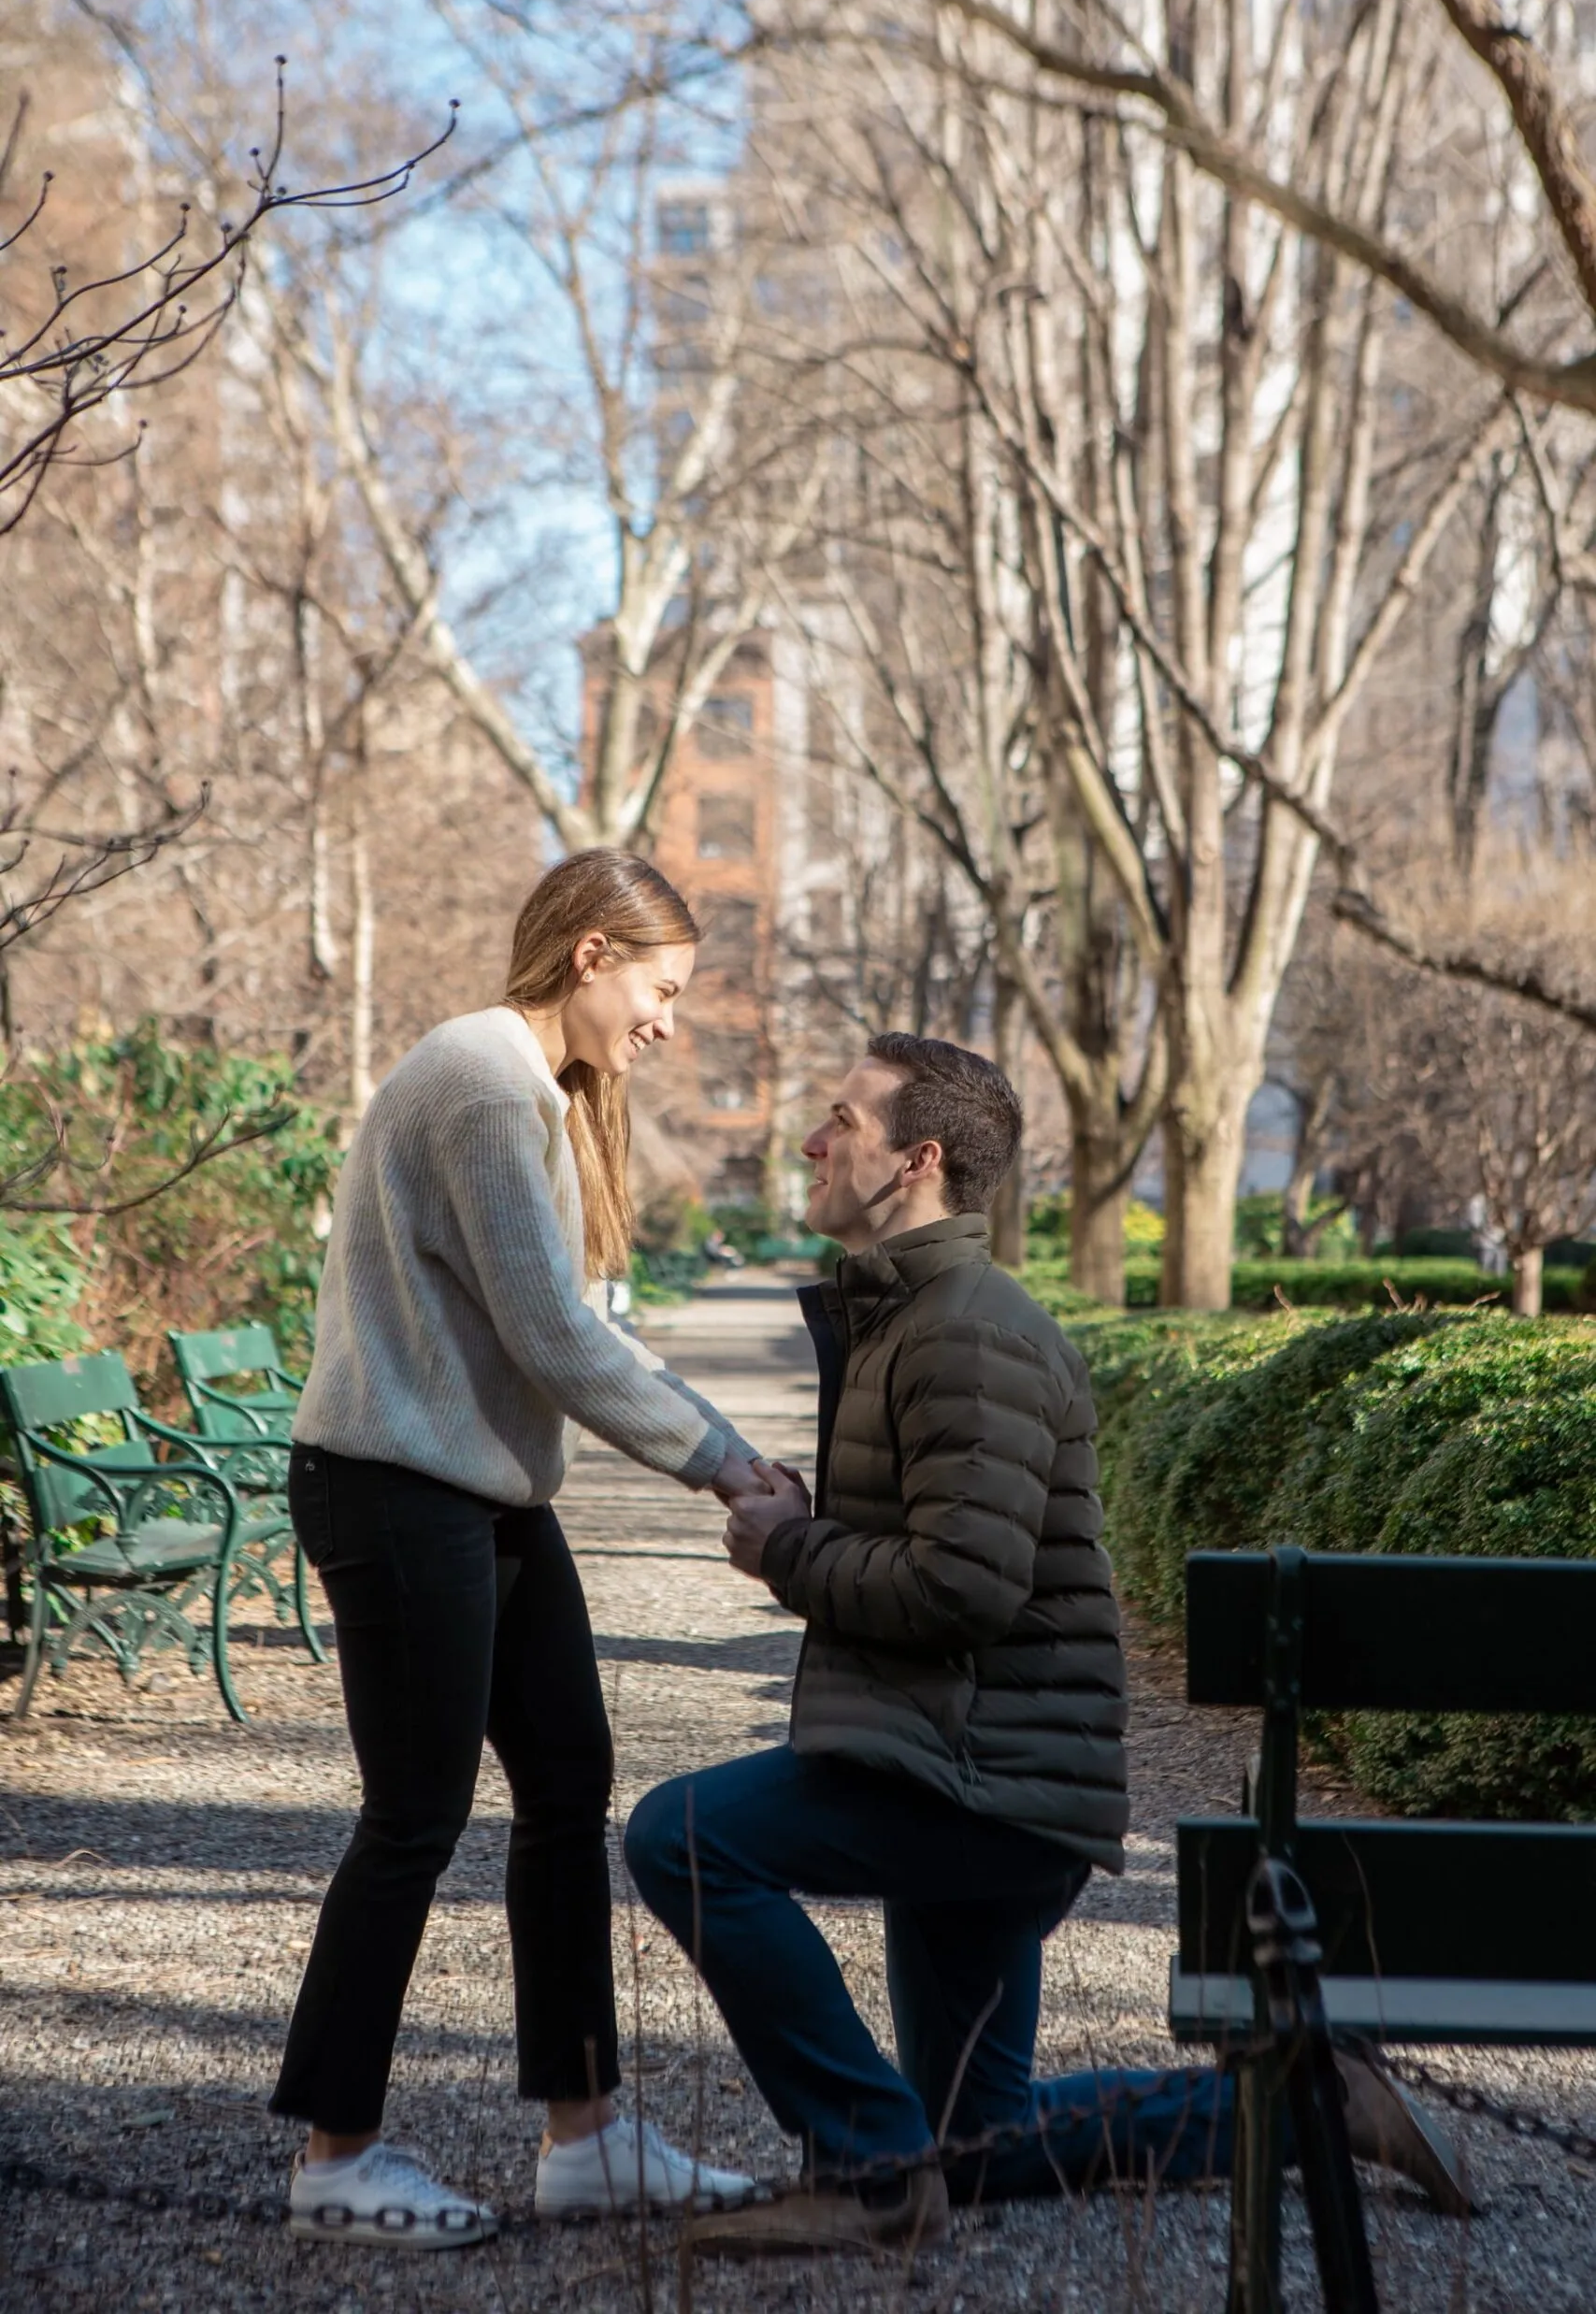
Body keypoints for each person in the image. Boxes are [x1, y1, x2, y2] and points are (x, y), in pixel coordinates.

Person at [625, 1034, 1471, 2255]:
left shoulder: (964, 1332)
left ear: (916, 1161)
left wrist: (788, 1552)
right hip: (963, 1761)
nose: (811, 1143)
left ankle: (868, 2176)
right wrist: (816, 1526)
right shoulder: (915, 1316)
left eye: (840, 1123)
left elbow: (963, 1586)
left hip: (983, 1788)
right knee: (979, 2143)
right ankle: (1306, 2102)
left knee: (683, 1838)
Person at [272, 850, 765, 2249]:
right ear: (591, 955)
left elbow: (564, 1326)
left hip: (477, 1493)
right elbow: (557, 1340)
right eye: (661, 990)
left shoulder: (534, 1088)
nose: (667, 1022)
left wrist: (718, 1444)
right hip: (398, 1487)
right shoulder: (485, 1081)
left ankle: (586, 2134)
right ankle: (332, 2157)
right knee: (414, 1818)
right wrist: (725, 1465)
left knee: (566, 1782)